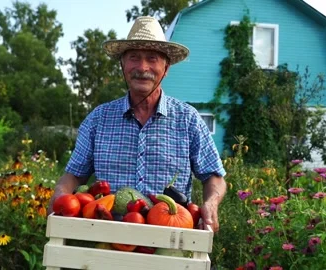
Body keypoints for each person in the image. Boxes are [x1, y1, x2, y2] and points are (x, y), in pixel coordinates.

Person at [48, 16, 227, 232]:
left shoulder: (188, 120)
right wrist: (61, 193)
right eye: (134, 57)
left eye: (152, 58)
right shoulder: (98, 119)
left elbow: (214, 177)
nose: (142, 67)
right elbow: (75, 175)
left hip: (170, 239)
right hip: (106, 237)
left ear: (166, 67)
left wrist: (211, 203)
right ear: (123, 64)